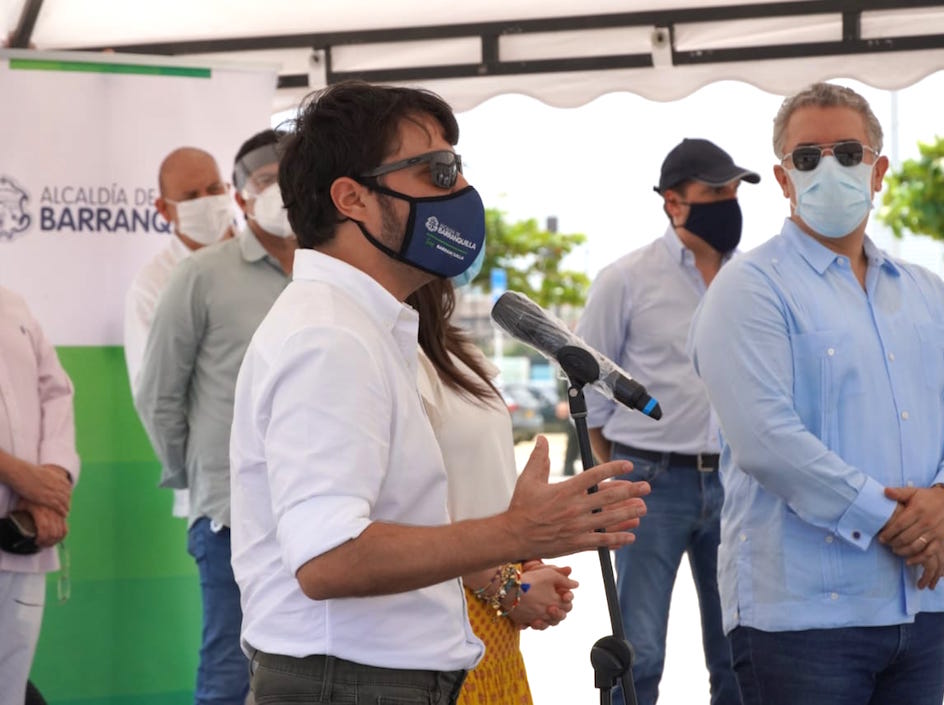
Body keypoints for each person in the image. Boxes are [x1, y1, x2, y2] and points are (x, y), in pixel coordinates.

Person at [228, 79, 649, 705]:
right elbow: (330, 559)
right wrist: (518, 531)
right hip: (347, 683)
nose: (462, 192)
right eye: (437, 170)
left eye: (457, 167)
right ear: (352, 198)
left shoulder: (366, 326)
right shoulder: (330, 337)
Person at [688, 82, 944, 705]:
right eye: (807, 157)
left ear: (878, 169)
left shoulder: (927, 292)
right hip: (802, 619)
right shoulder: (749, 288)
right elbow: (767, 441)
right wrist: (900, 522)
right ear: (783, 179)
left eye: (848, 152)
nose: (829, 168)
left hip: (918, 605)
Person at [576, 138, 757, 705]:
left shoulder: (753, 280)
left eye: (733, 191)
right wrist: (618, 478)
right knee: (640, 653)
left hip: (736, 483)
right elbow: (591, 384)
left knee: (738, 648)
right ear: (673, 203)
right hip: (649, 482)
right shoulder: (625, 279)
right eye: (715, 192)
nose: (729, 202)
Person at [135, 128, 296, 705]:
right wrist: (203, 477)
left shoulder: (331, 271)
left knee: (315, 670)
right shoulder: (200, 275)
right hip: (231, 513)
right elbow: (159, 396)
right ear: (242, 193)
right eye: (265, 179)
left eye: (291, 176)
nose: (281, 190)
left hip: (323, 512)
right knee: (231, 670)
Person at [410, 277, 579, 704]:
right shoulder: (391, 357)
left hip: (495, 622)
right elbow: (420, 514)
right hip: (451, 613)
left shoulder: (453, 349)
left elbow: (486, 482)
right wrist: (509, 588)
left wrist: (530, 568)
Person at [125, 146, 233, 518]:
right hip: (216, 490)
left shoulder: (273, 260)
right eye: (190, 197)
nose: (206, 202)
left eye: (213, 189)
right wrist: (200, 467)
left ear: (230, 189)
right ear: (163, 209)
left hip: (292, 474)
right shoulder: (154, 284)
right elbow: (154, 396)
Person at [0, 286, 79, 705]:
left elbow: (57, 393)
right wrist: (17, 474)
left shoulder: (13, 304)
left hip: (21, 538)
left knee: (10, 691)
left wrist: (50, 481)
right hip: (22, 504)